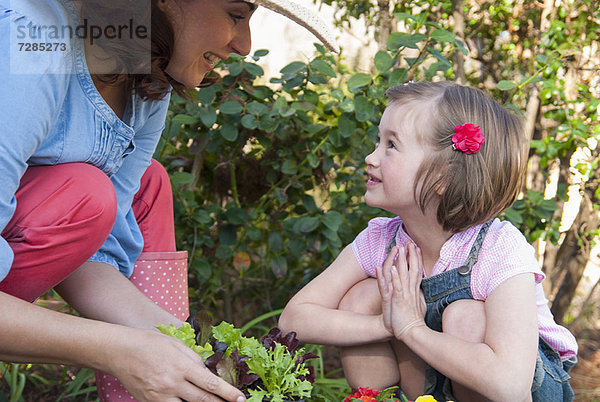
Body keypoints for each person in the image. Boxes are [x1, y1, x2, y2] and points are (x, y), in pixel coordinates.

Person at [0, 0, 337, 401]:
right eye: (235, 14)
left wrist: (192, 351)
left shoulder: (148, 85)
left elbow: (94, 258)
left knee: (145, 182)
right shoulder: (32, 41)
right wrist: (117, 349)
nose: (245, 45)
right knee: (87, 192)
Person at [279, 81, 578, 401]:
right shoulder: (380, 239)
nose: (371, 157)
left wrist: (411, 329)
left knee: (465, 317)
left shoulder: (498, 248)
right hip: (432, 386)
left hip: (525, 388)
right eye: (377, 141)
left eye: (391, 145)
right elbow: (294, 319)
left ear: (443, 177)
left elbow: (510, 386)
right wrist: (386, 324)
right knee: (362, 298)